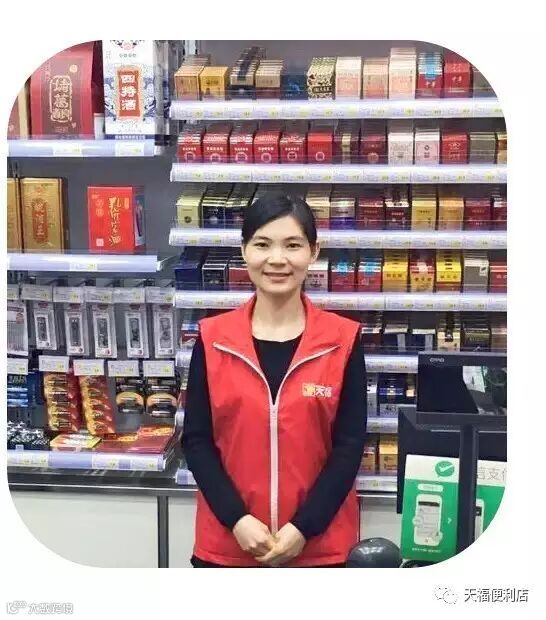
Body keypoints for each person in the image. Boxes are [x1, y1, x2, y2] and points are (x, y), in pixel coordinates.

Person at [182, 191, 367, 567]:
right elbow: (197, 441)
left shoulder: (342, 340)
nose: (277, 259)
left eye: (293, 245)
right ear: (244, 251)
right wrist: (237, 519)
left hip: (320, 549)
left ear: (313, 252)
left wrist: (303, 528)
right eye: (262, 244)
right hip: (228, 547)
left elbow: (349, 448)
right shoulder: (214, 338)